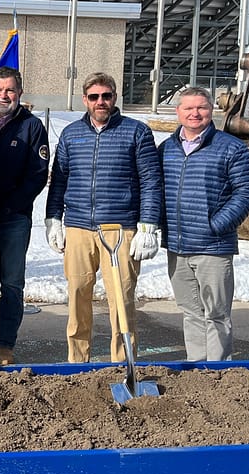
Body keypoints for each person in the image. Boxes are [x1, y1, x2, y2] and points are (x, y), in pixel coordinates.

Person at [45, 72, 162, 363]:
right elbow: (59, 180)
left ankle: (123, 363)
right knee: (77, 297)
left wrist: (148, 226)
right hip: (78, 227)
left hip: (120, 229)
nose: (101, 102)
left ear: (114, 98)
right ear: (85, 99)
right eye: (94, 97)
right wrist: (52, 218)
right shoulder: (71, 134)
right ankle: (77, 361)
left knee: (121, 300)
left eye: (106, 96)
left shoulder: (136, 132)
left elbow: (150, 180)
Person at [159, 87, 249, 361]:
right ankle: (196, 367)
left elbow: (247, 192)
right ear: (178, 112)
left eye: (201, 107)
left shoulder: (231, 148)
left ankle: (217, 372)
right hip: (177, 247)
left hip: (213, 247)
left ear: (211, 110)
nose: (195, 113)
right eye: (188, 108)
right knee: (191, 311)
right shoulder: (166, 149)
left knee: (216, 313)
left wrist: (217, 225)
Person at [0, 67, 49, 366]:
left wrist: (10, 206)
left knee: (12, 284)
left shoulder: (32, 127)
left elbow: (37, 175)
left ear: (19, 92)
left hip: (14, 218)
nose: (4, 96)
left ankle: (5, 344)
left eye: (10, 90)